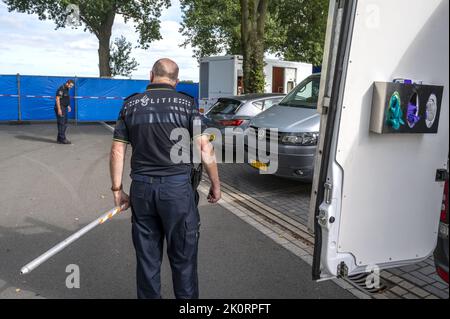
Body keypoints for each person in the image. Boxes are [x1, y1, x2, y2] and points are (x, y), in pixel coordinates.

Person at [109, 58, 221, 299]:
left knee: (147, 260)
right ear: (176, 80)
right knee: (184, 259)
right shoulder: (187, 105)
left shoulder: (130, 105)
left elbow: (118, 150)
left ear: (151, 75)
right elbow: (205, 148)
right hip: (177, 192)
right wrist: (216, 184)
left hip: (142, 191)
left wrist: (117, 190)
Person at [54, 79, 74, 144]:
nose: (71, 87)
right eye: (70, 85)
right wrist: (59, 109)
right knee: (62, 124)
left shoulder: (67, 89)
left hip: (64, 107)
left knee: (64, 123)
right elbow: (57, 99)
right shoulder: (61, 89)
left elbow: (65, 98)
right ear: (67, 83)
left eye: (72, 86)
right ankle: (63, 139)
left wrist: (68, 106)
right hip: (60, 107)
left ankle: (59, 138)